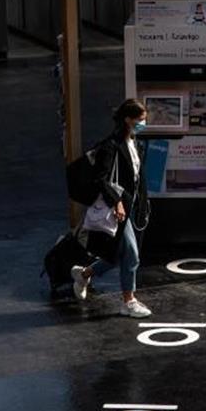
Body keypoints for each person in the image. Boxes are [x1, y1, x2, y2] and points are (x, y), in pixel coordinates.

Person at [70, 99, 152, 318]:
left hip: (130, 205)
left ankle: (84, 274)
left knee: (117, 255)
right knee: (132, 255)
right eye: (140, 120)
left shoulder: (135, 143)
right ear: (128, 119)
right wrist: (116, 202)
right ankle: (129, 301)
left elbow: (136, 177)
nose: (144, 123)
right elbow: (101, 178)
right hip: (117, 208)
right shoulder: (111, 146)